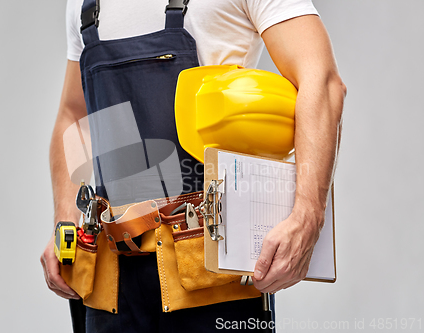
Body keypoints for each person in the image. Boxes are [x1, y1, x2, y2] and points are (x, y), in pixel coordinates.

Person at [40, 0, 346, 332]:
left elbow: (323, 81)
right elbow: (73, 113)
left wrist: (308, 215)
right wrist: (65, 220)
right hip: (112, 287)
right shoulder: (86, 5)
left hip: (210, 280)